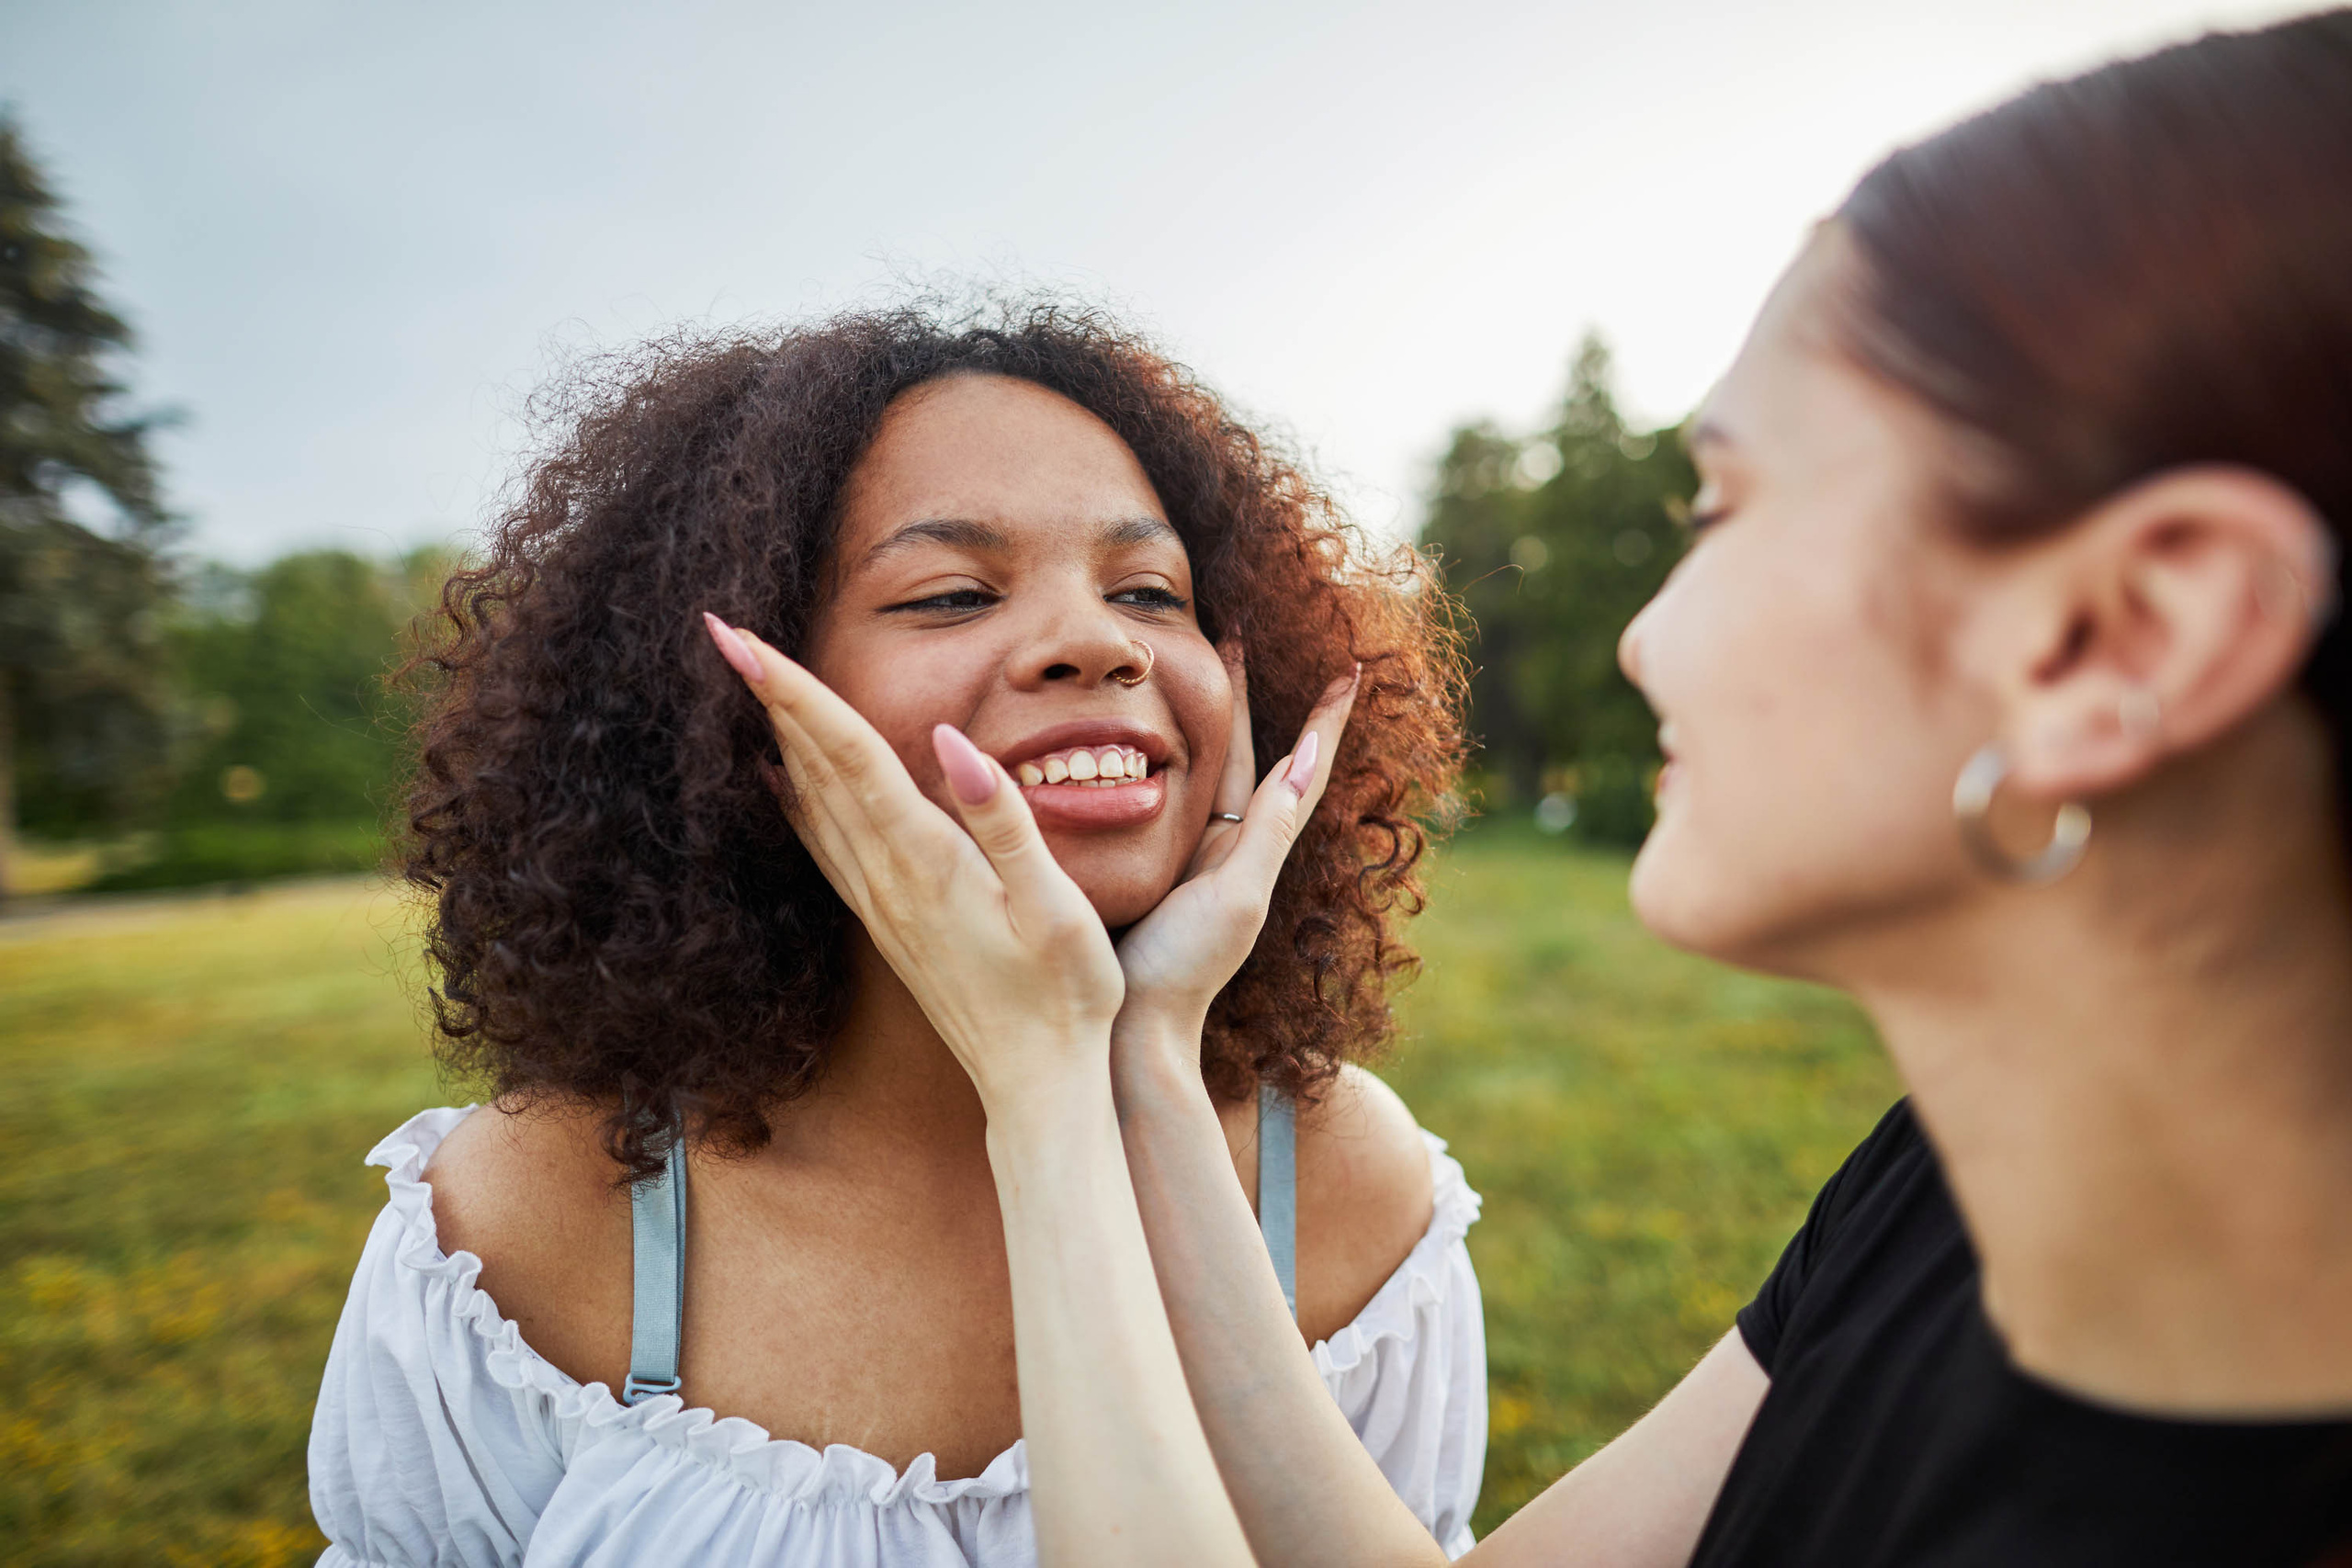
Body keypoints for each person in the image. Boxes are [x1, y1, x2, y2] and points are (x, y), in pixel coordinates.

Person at [748, 12, 2352, 1566]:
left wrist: (1042, 1088)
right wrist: (1147, 1057)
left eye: (1725, 508)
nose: (1645, 638)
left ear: (2113, 640)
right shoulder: (1946, 1203)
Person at [303, 309, 1488, 1566]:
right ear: (734, 713)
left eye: (1151, 590)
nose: (1097, 639)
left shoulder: (1348, 1187)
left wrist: (1129, 1053)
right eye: (951, 594)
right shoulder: (531, 1217)